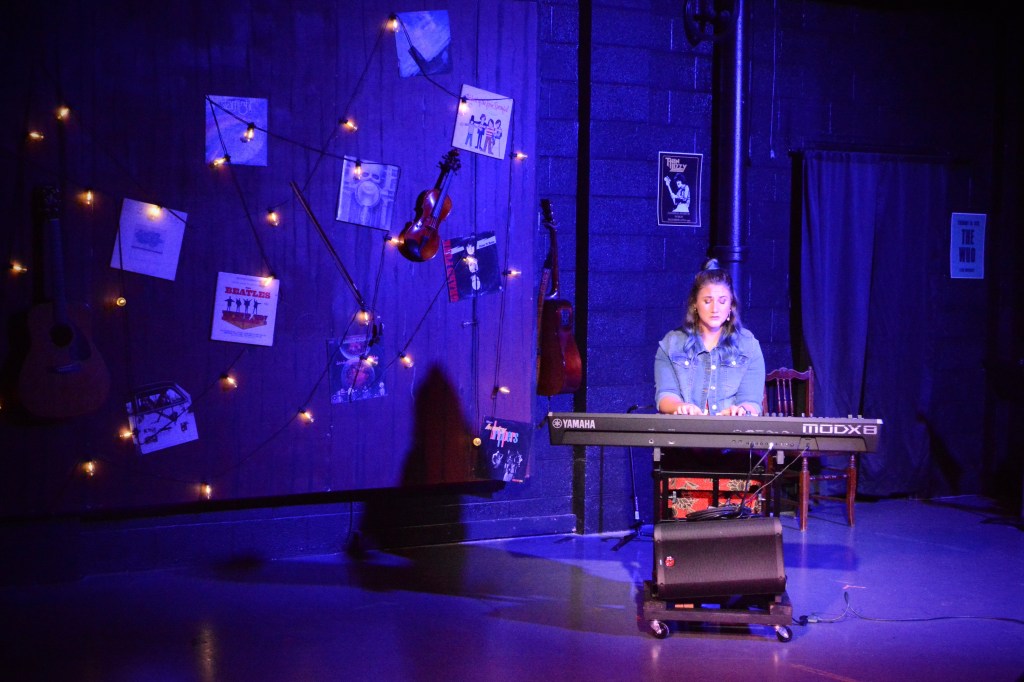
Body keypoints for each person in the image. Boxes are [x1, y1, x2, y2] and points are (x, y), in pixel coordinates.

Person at [654, 258, 764, 417]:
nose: (715, 309)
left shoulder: (748, 345)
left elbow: (751, 401)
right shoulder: (672, 344)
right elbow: (665, 394)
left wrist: (741, 410)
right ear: (695, 304)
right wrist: (680, 407)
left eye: (722, 301)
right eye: (707, 301)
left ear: (731, 305)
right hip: (686, 429)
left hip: (730, 430)